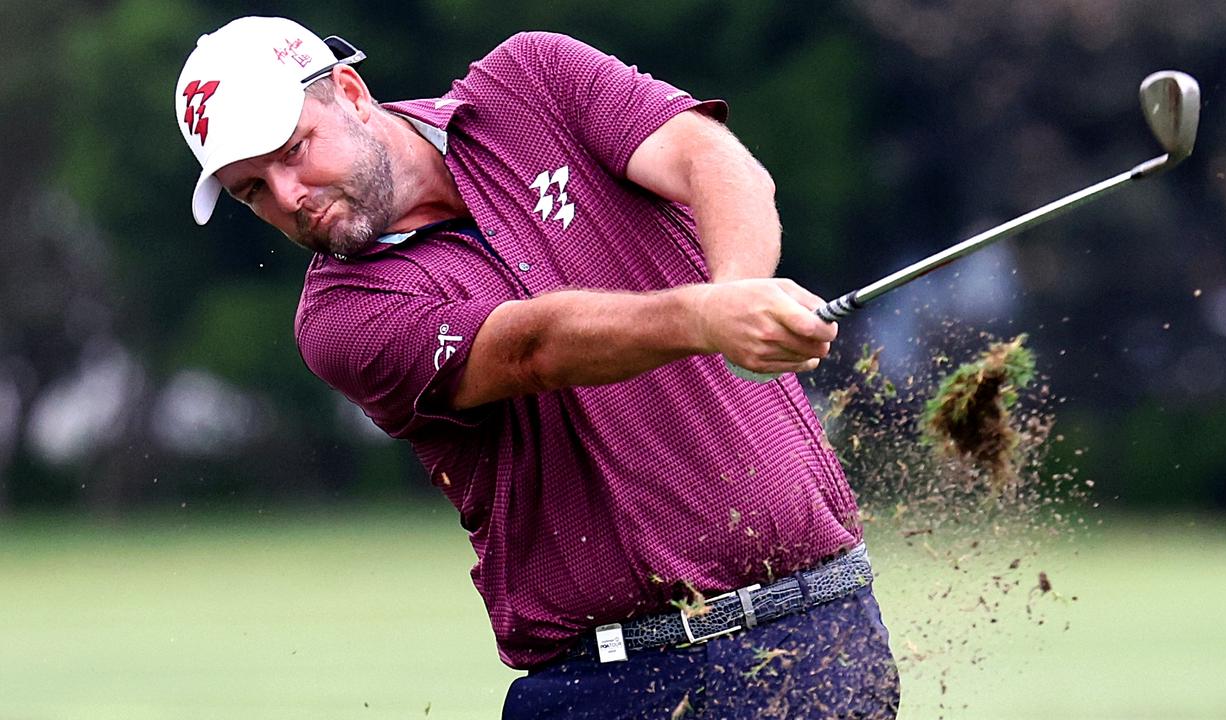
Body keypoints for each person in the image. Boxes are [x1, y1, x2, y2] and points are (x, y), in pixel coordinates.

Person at [175, 16, 899, 719]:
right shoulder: (341, 318)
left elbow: (708, 158)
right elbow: (531, 349)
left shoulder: (533, 80)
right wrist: (707, 317)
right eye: (252, 190)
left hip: (825, 634)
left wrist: (738, 289)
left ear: (351, 93)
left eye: (293, 150)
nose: (289, 197)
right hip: (617, 684)